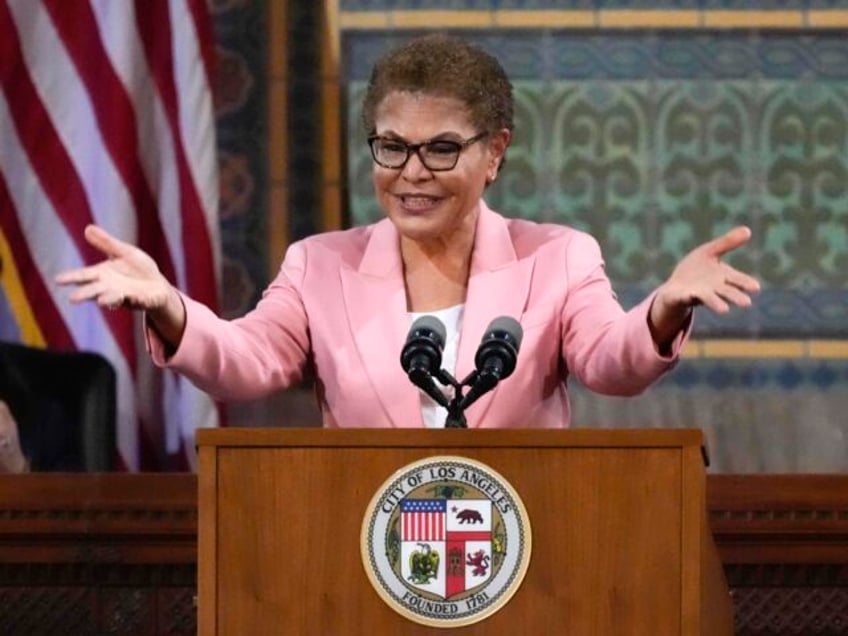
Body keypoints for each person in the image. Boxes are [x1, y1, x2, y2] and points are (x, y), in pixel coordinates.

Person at [55, 33, 759, 431]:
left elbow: (613, 362)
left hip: (526, 557)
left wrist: (665, 308)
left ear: (495, 153)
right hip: (361, 558)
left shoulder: (558, 258)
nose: (411, 172)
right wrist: (171, 309)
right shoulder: (319, 265)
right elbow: (246, 363)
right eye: (391, 146)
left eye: (441, 149)